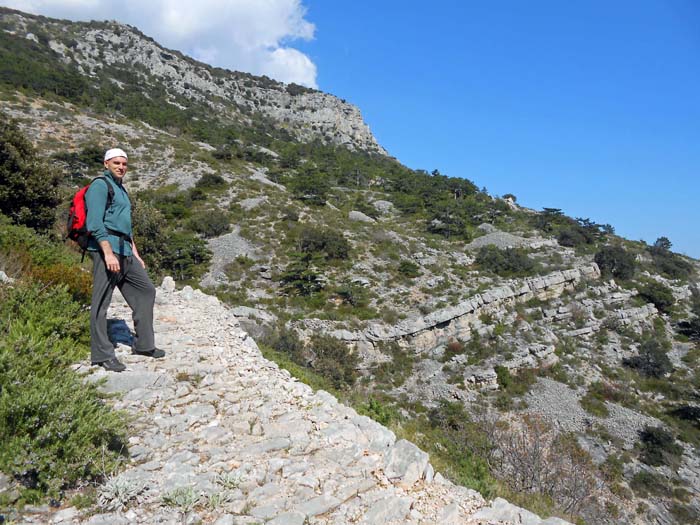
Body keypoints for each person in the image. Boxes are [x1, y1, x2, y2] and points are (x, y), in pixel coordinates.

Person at [86, 148, 164, 372]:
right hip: (107, 250)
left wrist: (135, 252)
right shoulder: (100, 185)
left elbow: (125, 227)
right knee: (101, 302)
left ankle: (144, 345)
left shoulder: (121, 189)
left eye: (124, 164)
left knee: (146, 290)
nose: (121, 167)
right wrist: (107, 252)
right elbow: (94, 223)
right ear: (106, 164)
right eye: (116, 163)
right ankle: (102, 355)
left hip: (126, 251)